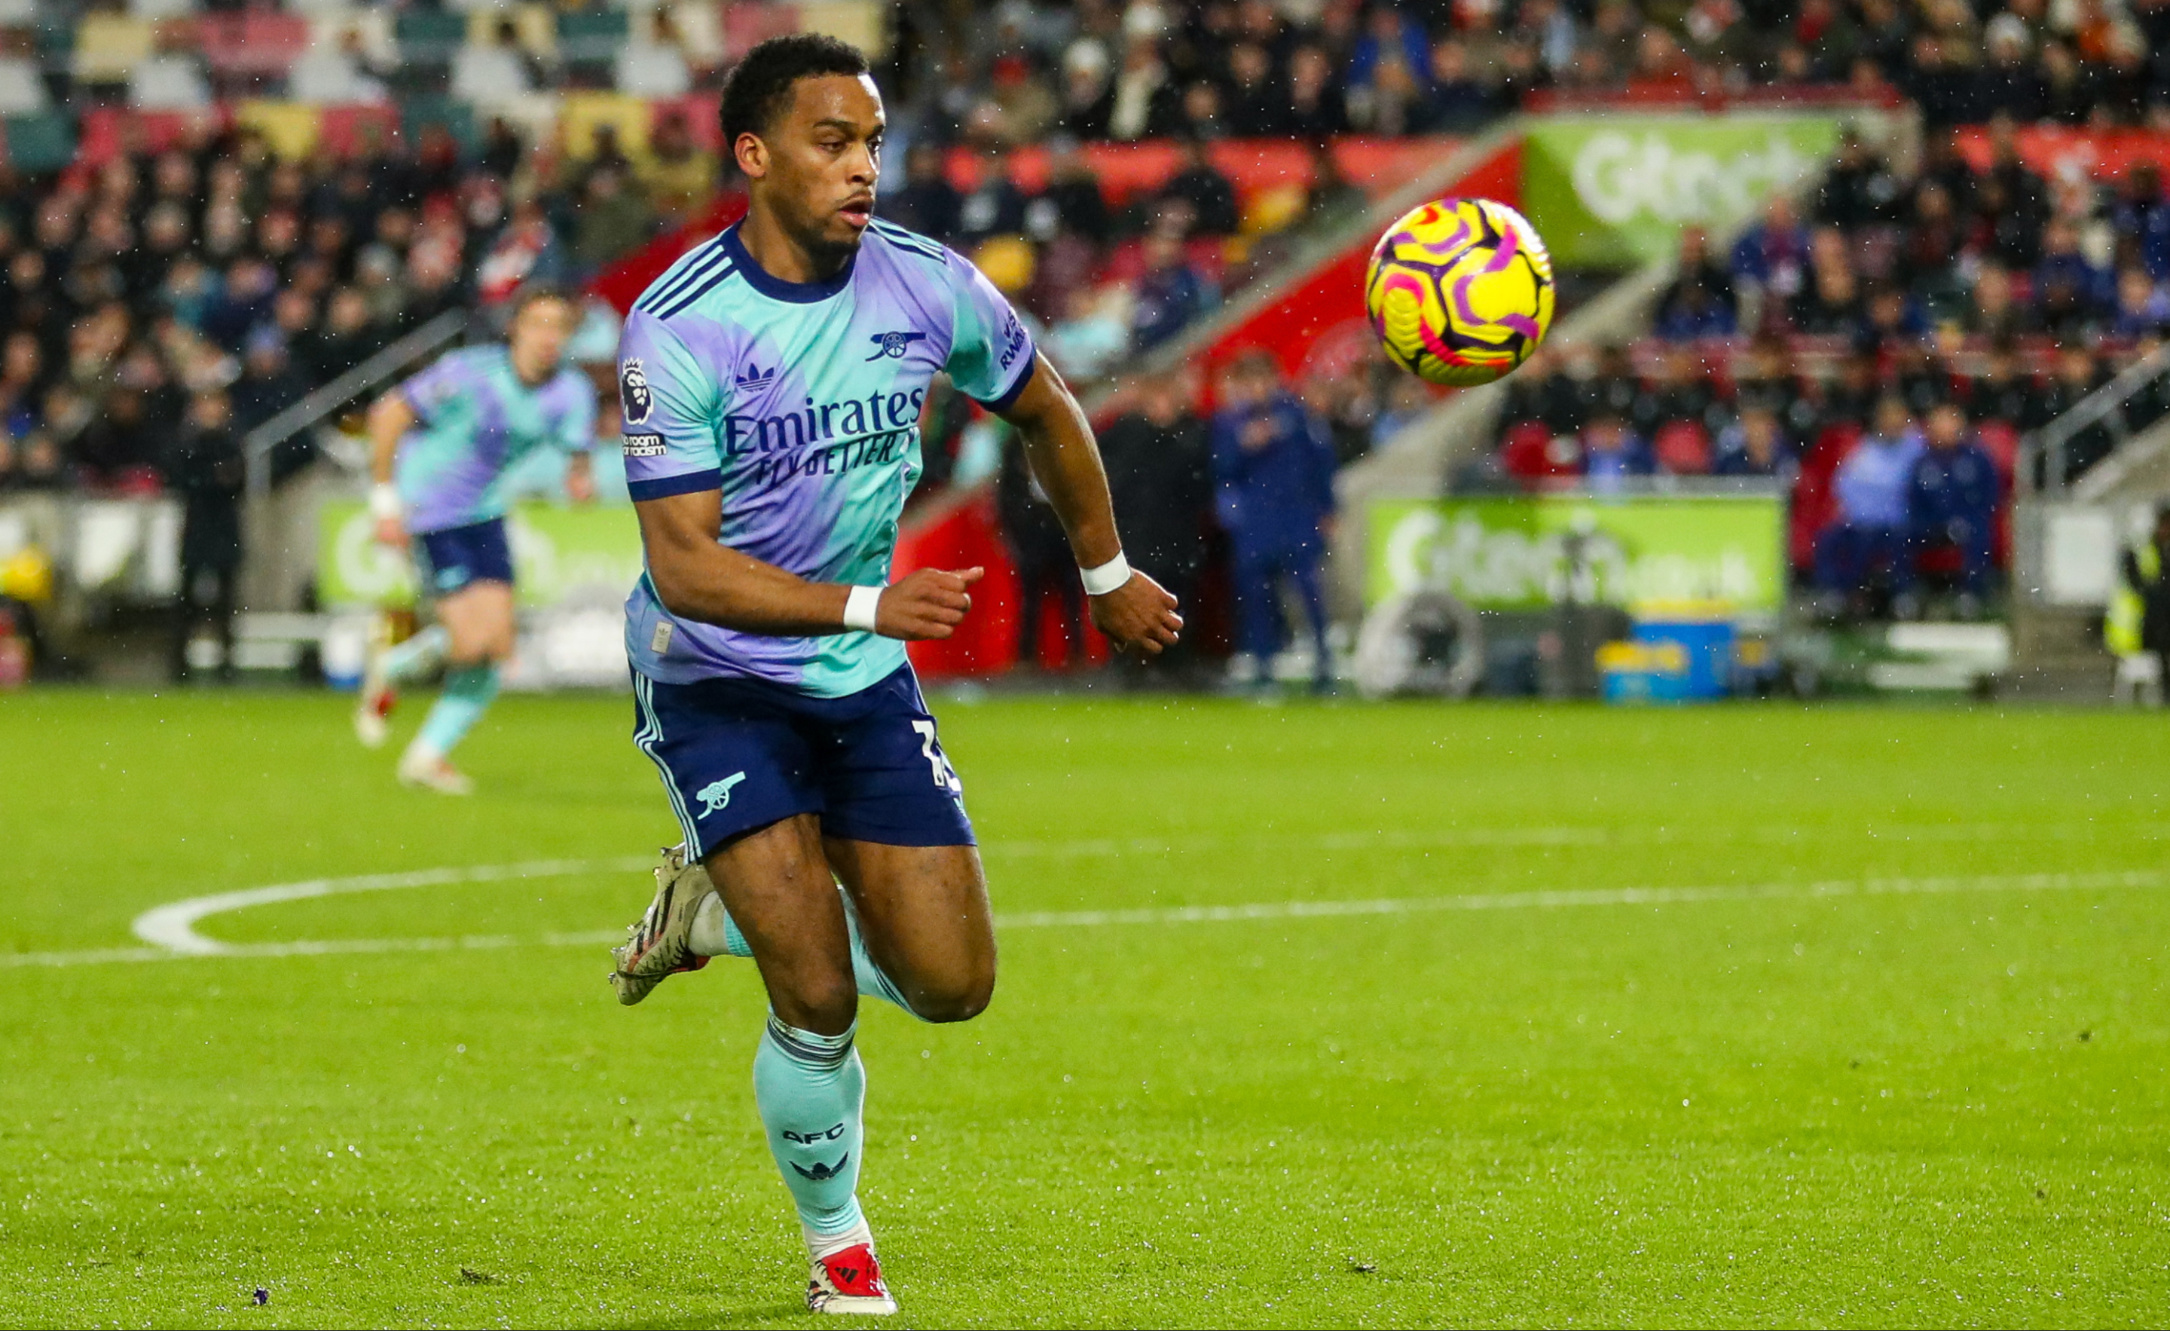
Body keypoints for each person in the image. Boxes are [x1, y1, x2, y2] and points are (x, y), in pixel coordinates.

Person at [599, 36, 1181, 1317]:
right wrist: (873, 600)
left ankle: (711, 913)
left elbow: (1047, 408)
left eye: (871, 142)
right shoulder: (678, 323)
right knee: (811, 988)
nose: (863, 167)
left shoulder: (927, 285)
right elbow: (687, 569)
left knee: (953, 985)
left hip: (858, 676)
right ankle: (839, 1247)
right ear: (753, 157)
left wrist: (1104, 574)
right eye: (830, 141)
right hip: (715, 677)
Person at [353, 287, 598, 793]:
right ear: (516, 328)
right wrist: (385, 504)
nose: (548, 336)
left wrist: (579, 481)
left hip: (486, 512)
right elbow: (388, 415)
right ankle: (395, 667)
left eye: (559, 326)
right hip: (431, 510)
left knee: (498, 648)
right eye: (539, 323)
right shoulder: (468, 370)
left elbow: (578, 459)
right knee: (470, 644)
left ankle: (424, 752)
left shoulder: (571, 392)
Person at [1213, 350, 1337, 691]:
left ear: (1274, 379)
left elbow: (1321, 463)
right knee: (1256, 597)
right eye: (1249, 381)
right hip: (1255, 523)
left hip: (1296, 517)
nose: (1257, 388)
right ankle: (1263, 670)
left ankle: (1324, 666)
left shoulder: (1297, 415)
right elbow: (1220, 470)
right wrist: (1243, 446)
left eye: (1262, 380)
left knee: (1309, 594)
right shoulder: (1229, 422)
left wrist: (1328, 509)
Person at [1097, 369, 1212, 673]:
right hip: (1136, 535)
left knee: (1177, 601)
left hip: (1176, 536)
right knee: (1129, 600)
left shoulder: (1191, 433)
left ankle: (1174, 662)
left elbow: (1200, 484)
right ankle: (1127, 664)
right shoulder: (1128, 432)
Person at [1817, 396, 1926, 616]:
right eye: (1887, 418)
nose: (1891, 423)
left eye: (1897, 417)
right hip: (1860, 519)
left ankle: (1899, 597)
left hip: (1898, 521)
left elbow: (1910, 488)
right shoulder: (1866, 448)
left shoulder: (1916, 449)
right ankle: (1834, 596)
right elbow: (1844, 482)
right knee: (1828, 538)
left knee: (1874, 540)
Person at [164, 389, 245, 683]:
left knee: (226, 598)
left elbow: (235, 481)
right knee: (186, 597)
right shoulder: (189, 442)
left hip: (222, 526)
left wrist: (207, 479)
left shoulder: (231, 441)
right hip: (198, 525)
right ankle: (178, 662)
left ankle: (226, 662)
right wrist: (215, 478)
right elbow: (184, 478)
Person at [1908, 402, 2003, 614]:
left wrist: (1965, 518)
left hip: (1967, 521)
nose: (1944, 429)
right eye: (1939, 423)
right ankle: (1906, 595)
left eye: (1949, 423)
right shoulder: (1923, 461)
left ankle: (1971, 595)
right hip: (1931, 523)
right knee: (1901, 535)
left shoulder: (1977, 458)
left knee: (1979, 533)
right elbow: (1913, 499)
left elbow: (1990, 495)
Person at [2107, 504, 2170, 686]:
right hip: (2145, 619)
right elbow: (2137, 584)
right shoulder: (2140, 551)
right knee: (2153, 661)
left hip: (2156, 618)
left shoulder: (2155, 550)